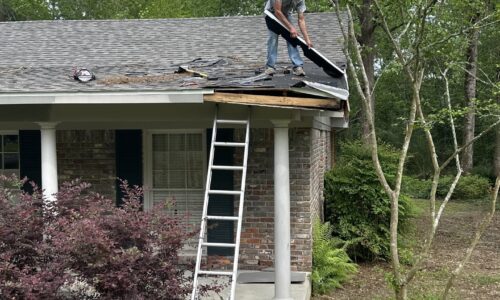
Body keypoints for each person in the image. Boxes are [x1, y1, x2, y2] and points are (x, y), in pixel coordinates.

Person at [264, 0, 313, 76]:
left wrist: (307, 39)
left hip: (286, 14)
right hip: (272, 13)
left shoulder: (300, 1)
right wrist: (291, 28)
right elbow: (277, 11)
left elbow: (301, 19)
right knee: (273, 39)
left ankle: (297, 66)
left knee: (292, 38)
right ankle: (270, 67)